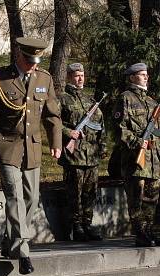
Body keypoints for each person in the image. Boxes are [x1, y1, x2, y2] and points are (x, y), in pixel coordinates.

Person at [0, 37, 62, 275]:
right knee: (15, 197)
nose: (33, 65)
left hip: (32, 147)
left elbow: (52, 115)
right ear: (19, 56)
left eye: (36, 61)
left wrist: (56, 142)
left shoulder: (45, 78)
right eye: (29, 60)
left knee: (32, 198)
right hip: (6, 145)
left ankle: (8, 241)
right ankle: (23, 252)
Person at [113, 62, 160, 247]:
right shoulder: (125, 98)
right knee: (137, 198)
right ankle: (140, 233)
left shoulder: (153, 102)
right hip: (136, 160)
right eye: (142, 74)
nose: (146, 77)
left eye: (147, 74)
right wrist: (138, 142)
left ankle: (149, 231)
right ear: (132, 77)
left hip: (154, 160)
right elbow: (119, 128)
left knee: (151, 199)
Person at [58, 63, 106, 242]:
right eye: (77, 75)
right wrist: (68, 132)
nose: (80, 79)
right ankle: (76, 226)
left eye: (83, 75)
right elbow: (53, 122)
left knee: (90, 193)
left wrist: (103, 147)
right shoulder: (62, 99)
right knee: (74, 193)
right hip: (74, 156)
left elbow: (101, 125)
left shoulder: (90, 101)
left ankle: (87, 224)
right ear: (69, 77)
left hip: (91, 156)